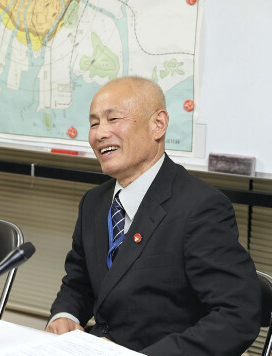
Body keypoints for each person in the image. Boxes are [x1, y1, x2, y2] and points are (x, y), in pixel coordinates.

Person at [45, 76, 261, 355]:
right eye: (94, 123)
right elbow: (78, 282)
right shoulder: (93, 203)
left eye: (113, 119)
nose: (99, 134)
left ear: (158, 124)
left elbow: (237, 315)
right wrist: (65, 316)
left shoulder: (200, 207)